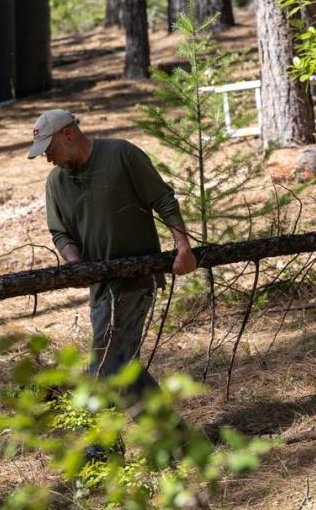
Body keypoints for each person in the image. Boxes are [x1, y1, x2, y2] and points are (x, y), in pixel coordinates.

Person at [27, 108, 197, 402]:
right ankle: (171, 436)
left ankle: (101, 447)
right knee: (121, 366)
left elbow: (163, 200)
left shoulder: (121, 155)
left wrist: (183, 247)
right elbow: (60, 233)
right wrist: (74, 262)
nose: (48, 157)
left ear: (68, 134)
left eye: (50, 148)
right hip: (100, 288)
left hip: (136, 280)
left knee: (106, 364)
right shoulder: (56, 183)